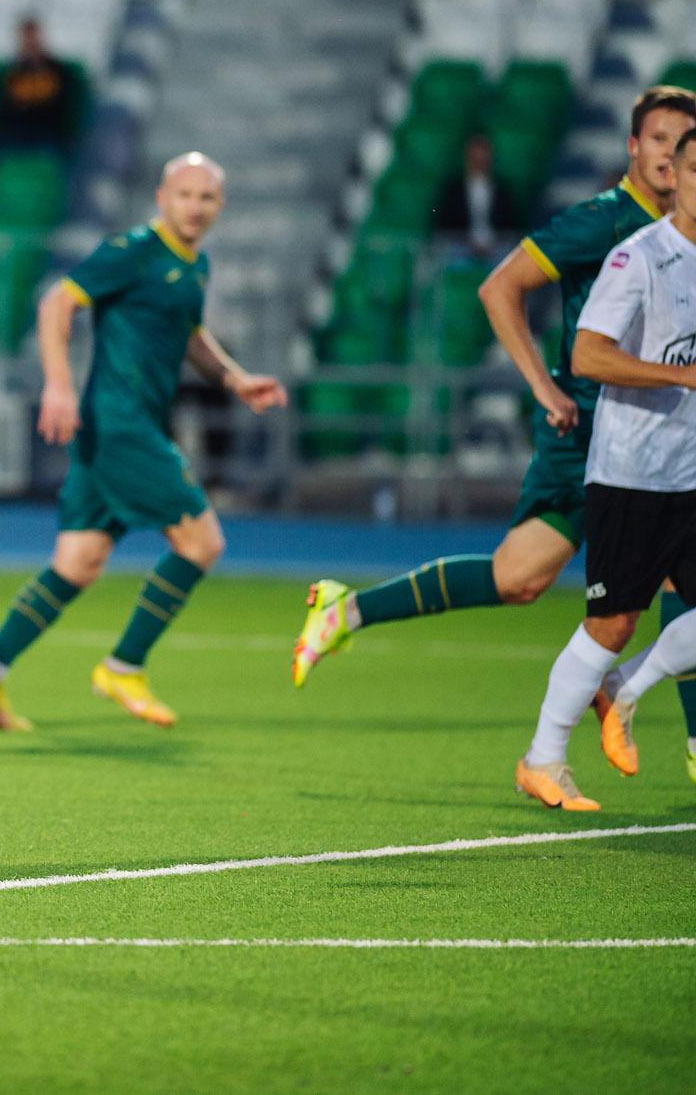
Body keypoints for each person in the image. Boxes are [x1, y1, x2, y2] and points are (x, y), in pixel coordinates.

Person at [292, 87, 696, 777]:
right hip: (593, 439)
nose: (668, 154)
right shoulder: (604, 222)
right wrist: (543, 385)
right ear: (633, 147)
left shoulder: (681, 231)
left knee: (660, 580)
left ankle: (676, 736)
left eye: (679, 143)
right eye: (657, 139)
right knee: (523, 578)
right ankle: (347, 609)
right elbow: (499, 286)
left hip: (660, 441)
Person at [0, 154, 287, 731]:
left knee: (77, 563)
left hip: (122, 428)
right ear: (162, 196)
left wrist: (234, 378)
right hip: (121, 426)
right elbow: (57, 302)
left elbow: (189, 333)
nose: (194, 206)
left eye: (206, 197)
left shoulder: (196, 265)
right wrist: (59, 384)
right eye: (184, 194)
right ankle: (124, 666)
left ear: (220, 205)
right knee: (202, 543)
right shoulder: (133, 251)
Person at [515, 126, 696, 810]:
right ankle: (542, 758)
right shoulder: (639, 256)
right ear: (675, 177)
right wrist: (681, 376)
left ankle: (625, 687)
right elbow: (588, 354)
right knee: (614, 623)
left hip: (692, 471)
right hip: (633, 471)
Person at [0, 18, 69, 152]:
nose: (30, 43)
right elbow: (3, 106)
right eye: (26, 38)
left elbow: (59, 105)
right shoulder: (12, 71)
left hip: (45, 129)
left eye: (33, 37)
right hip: (16, 129)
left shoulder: (55, 69)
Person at [430, 132, 518, 254]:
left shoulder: (502, 190)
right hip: (461, 247)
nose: (479, 161)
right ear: (467, 157)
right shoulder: (453, 191)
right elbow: (443, 225)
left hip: (496, 248)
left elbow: (511, 226)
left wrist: (492, 243)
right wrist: (467, 241)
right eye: (475, 156)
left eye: (482, 157)